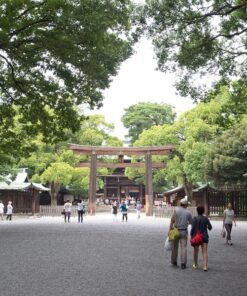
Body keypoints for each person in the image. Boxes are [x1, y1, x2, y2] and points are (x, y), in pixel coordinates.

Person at [169, 196, 192, 269]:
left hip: (176, 230)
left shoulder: (176, 210)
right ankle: (183, 263)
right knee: (183, 247)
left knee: (175, 247)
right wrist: (186, 223)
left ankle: (174, 261)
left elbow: (172, 221)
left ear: (180, 204)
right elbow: (191, 222)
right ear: (185, 205)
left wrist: (169, 230)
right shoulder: (188, 212)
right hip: (184, 231)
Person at [191, 205, 212, 272]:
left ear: (197, 211)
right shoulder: (206, 218)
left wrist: (192, 236)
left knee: (195, 251)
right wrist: (207, 225)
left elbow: (193, 228)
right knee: (204, 252)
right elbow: (210, 227)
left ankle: (196, 264)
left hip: (197, 237)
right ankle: (205, 266)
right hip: (204, 236)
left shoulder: (194, 218)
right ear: (203, 211)